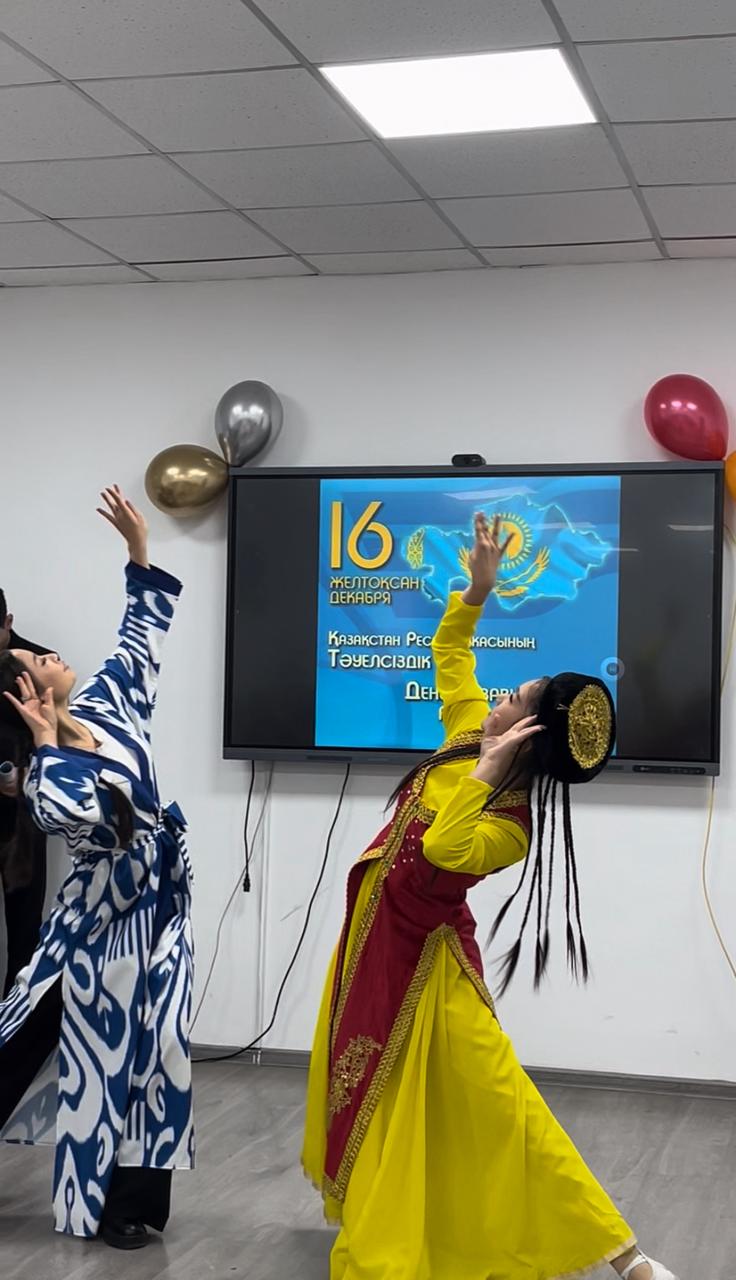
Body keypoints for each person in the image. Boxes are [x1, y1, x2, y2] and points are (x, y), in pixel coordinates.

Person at [303, 513, 678, 1280]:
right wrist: (476, 591)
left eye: (518, 696)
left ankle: (623, 1254)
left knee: (503, 1101)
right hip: (372, 938)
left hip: (433, 970)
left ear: (529, 733)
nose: (500, 695)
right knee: (378, 1088)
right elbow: (449, 652)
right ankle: (393, 1214)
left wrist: (481, 775)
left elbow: (443, 850)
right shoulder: (467, 729)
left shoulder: (511, 826)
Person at [0, 486, 193, 1250]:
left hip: (158, 920)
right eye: (36, 659)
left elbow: (139, 637)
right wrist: (48, 745)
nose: (52, 654)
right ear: (25, 690)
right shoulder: (47, 772)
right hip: (92, 935)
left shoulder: (112, 704)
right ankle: (99, 1198)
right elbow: (71, 818)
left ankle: (129, 1206)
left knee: (159, 1055)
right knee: (56, 1048)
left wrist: (138, 552)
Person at [0, 592, 50, 998]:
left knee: (23, 930)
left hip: (23, 817)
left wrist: (28, 774)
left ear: (8, 622)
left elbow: (57, 734)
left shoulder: (39, 664)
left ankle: (16, 1021)